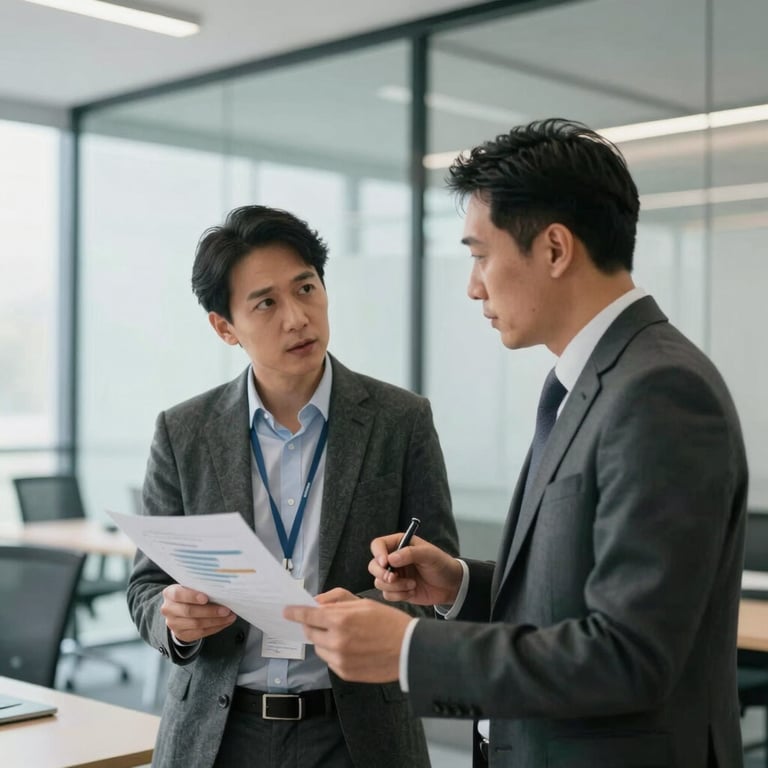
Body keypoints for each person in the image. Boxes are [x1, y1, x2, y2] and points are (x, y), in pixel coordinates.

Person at [285, 119, 749, 768]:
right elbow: (577, 595)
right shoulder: (592, 381)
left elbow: (630, 655)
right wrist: (459, 585)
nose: (473, 285)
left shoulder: (660, 392)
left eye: (480, 255)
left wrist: (409, 650)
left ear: (555, 249)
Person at [126, 204, 458, 768]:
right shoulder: (183, 432)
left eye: (306, 289)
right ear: (224, 327)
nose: (298, 318)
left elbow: (438, 582)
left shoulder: (400, 420)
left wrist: (368, 613)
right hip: (218, 734)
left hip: (358, 733)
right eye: (266, 303)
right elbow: (147, 587)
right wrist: (173, 620)